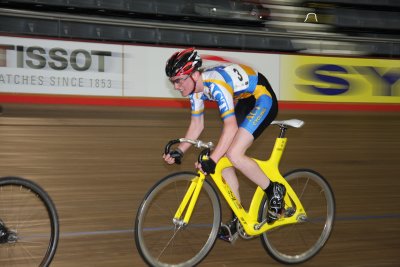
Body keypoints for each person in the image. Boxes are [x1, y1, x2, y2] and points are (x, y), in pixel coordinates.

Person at [162, 47, 286, 243]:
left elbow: (230, 128)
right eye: (173, 82)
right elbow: (197, 125)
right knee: (221, 160)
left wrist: (211, 159)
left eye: (179, 80)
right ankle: (238, 218)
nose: (177, 86)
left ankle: (274, 190)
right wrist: (180, 151)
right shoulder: (196, 90)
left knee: (234, 154)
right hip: (245, 100)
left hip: (263, 98)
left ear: (194, 74)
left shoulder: (216, 84)